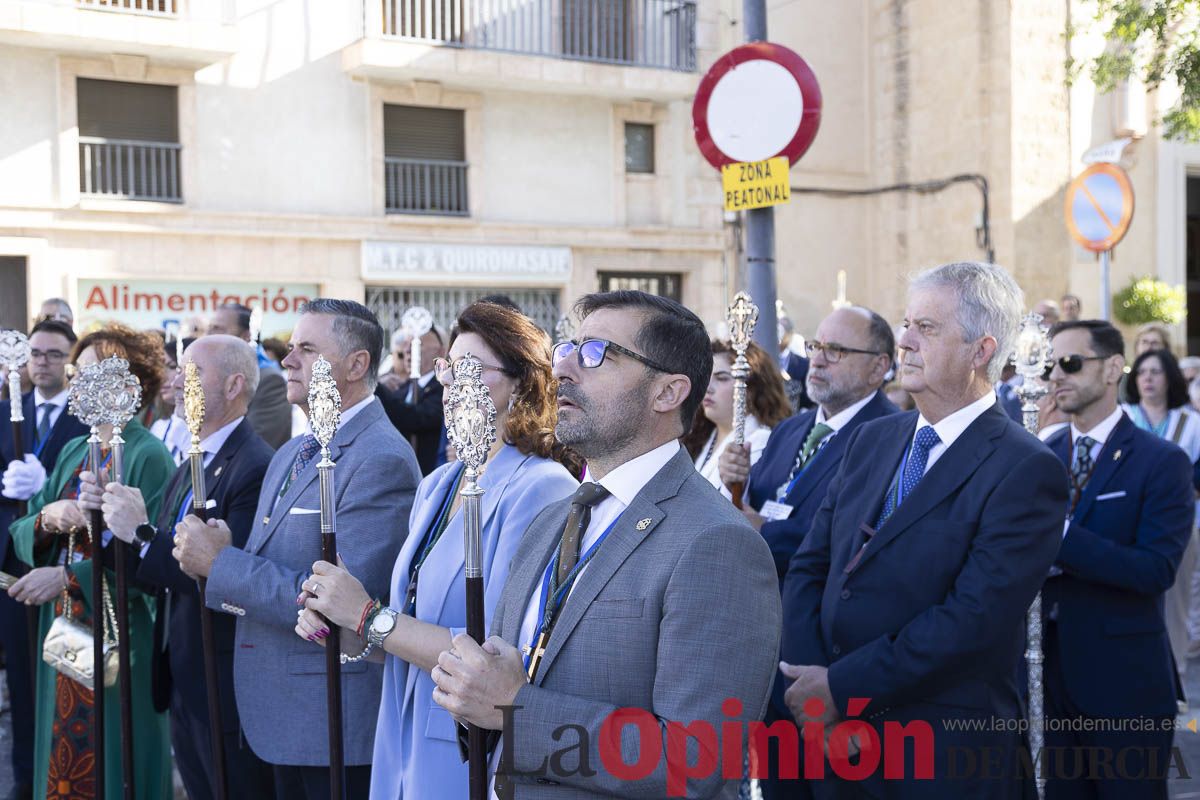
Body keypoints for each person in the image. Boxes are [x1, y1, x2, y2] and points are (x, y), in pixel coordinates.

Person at [430, 290, 782, 796]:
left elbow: (696, 759)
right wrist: (473, 698)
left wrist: (516, 710)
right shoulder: (554, 518)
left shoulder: (716, 541)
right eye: (569, 348)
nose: (565, 369)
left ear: (668, 392)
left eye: (597, 353)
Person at [780, 262, 1068, 797]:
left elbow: (971, 620)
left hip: (937, 756)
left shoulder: (1026, 468)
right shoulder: (872, 440)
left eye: (927, 328)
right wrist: (811, 685)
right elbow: (811, 565)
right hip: (828, 742)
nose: (906, 342)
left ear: (981, 351)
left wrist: (840, 688)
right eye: (906, 323)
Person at [294, 301, 579, 799]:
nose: (447, 383)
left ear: (519, 385)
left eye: (469, 370)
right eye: (448, 367)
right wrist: (342, 628)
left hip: (465, 743)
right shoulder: (439, 484)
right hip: (399, 732)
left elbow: (496, 648)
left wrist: (366, 616)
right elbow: (406, 627)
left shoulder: (541, 486)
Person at [172, 298, 420, 800]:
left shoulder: (381, 458)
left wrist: (221, 563)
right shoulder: (291, 449)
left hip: (331, 721)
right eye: (290, 348)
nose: (287, 360)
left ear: (356, 364)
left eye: (307, 349)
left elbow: (350, 605)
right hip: (280, 717)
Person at [81, 335, 276, 800]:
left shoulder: (253, 465)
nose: (176, 383)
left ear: (233, 386)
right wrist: (110, 524)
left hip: (224, 686)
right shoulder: (191, 460)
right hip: (185, 679)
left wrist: (142, 532)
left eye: (192, 374)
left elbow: (223, 576)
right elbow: (153, 571)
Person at [717, 305, 898, 800]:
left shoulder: (892, 436)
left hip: (829, 654)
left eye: (836, 351)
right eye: (816, 347)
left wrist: (757, 530)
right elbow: (755, 508)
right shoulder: (792, 430)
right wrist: (737, 484)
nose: (818, 360)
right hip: (766, 639)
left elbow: (854, 538)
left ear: (879, 367)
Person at [9, 324, 175, 800]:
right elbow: (22, 530)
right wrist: (48, 515)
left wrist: (65, 575)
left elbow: (150, 559)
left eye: (93, 372)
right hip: (61, 623)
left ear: (128, 384)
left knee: (114, 752)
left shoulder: (148, 455)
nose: (79, 382)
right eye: (77, 372)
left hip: (120, 630)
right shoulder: (72, 449)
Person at [1042, 320, 1194, 799]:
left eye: (1070, 363)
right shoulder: (1040, 455)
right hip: (1045, 676)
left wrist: (1060, 538)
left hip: (1124, 680)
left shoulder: (1160, 460)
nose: (1055, 376)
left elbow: (1155, 569)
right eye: (1050, 365)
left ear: (1111, 369)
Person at [0, 319, 88, 800]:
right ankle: (23, 780)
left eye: (54, 354)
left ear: (69, 362)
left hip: (65, 570)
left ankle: (64, 777)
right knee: (20, 679)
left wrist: (46, 482)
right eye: (36, 352)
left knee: (64, 675)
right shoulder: (3, 412)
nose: (42, 361)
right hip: (13, 569)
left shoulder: (83, 419)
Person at [1121, 347, 1200, 676]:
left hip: (1179, 525)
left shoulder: (1192, 422)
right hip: (1126, 524)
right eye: (1142, 372)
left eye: (1156, 372)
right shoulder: (1122, 416)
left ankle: (1174, 674)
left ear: (1170, 378)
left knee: (1176, 605)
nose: (1148, 378)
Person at [685, 340, 789, 496]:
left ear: (750, 388)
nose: (708, 388)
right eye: (706, 378)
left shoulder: (760, 441)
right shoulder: (703, 437)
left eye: (722, 378)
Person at [206, 303, 292, 449]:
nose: (209, 336)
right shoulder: (212, 376)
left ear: (246, 336)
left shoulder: (269, 380)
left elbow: (258, 446)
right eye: (210, 329)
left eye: (218, 329)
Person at [375, 324, 447, 474]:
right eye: (406, 346)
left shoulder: (443, 389)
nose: (407, 351)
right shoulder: (399, 388)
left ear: (440, 351)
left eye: (417, 345)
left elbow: (414, 417)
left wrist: (374, 385)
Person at [148, 338, 191, 464]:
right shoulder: (159, 427)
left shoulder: (205, 431)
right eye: (160, 368)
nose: (162, 376)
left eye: (173, 367)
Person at [778, 313, 813, 411]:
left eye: (781, 331)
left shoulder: (804, 364)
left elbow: (808, 398)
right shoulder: (763, 361)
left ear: (790, 335)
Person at [378, 328, 413, 393]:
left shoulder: (420, 380)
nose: (406, 358)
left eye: (410, 353)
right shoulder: (383, 379)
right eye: (401, 355)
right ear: (392, 354)